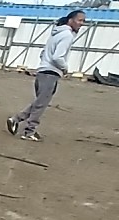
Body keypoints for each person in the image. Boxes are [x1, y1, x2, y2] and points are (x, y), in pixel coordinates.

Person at [7, 10, 86, 141]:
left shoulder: (56, 33)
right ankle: (29, 131)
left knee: (40, 102)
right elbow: (57, 57)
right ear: (70, 20)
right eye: (80, 20)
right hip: (50, 74)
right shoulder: (67, 36)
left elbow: (43, 53)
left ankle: (16, 119)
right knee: (40, 105)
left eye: (83, 21)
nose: (81, 24)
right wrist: (65, 68)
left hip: (43, 72)